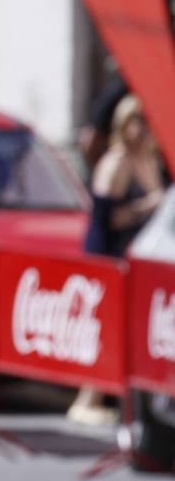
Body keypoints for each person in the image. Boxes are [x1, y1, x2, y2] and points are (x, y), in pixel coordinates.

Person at [68, 94, 164, 426]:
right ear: (122, 127)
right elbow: (107, 219)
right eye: (137, 122)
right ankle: (88, 398)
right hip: (110, 260)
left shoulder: (151, 161)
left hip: (141, 262)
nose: (144, 130)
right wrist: (150, 205)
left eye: (148, 121)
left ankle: (130, 402)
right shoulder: (116, 162)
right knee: (107, 330)